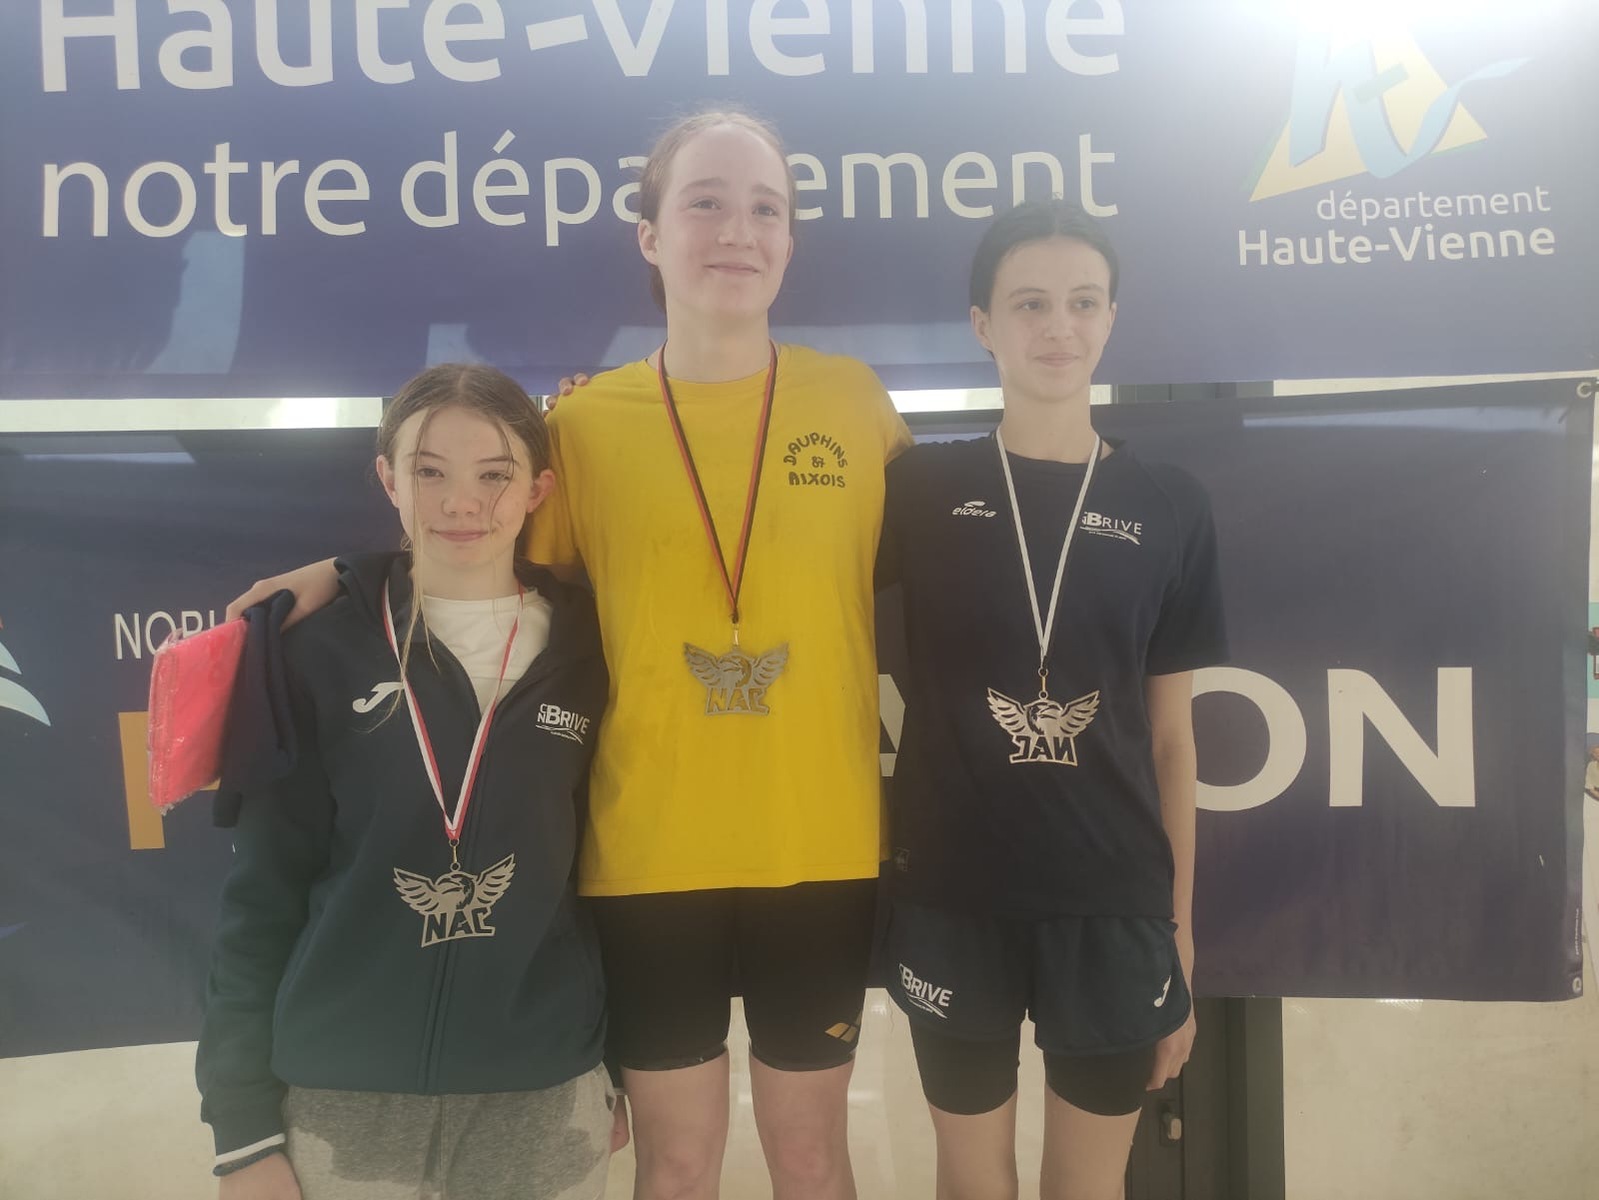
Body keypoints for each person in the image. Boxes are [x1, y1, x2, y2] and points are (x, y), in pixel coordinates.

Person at [226, 110, 912, 1200]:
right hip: (647, 855)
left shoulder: (856, 404)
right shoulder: (586, 427)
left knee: (812, 1158)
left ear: (790, 237)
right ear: (649, 234)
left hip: (820, 843)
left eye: (766, 208)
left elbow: (949, 555)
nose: (737, 230)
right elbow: (476, 545)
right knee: (677, 1164)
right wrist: (348, 575)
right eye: (705, 202)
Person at [876, 201, 1227, 1200]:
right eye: (1029, 303)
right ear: (983, 324)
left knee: (1087, 1188)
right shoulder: (917, 488)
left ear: (1111, 318)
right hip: (953, 896)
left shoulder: (1171, 504)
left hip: (1113, 904)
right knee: (971, 1181)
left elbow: (1172, 740)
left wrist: (1178, 930)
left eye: (1082, 302)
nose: (1057, 326)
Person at [198, 364, 616, 1200]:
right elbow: (261, 897)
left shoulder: (593, 650)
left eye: (493, 475)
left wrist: (618, 1070)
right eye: (429, 472)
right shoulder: (313, 652)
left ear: (537, 490)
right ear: (388, 480)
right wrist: (242, 1132)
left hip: (540, 1091)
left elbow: (609, 881)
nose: (461, 503)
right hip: (341, 1097)